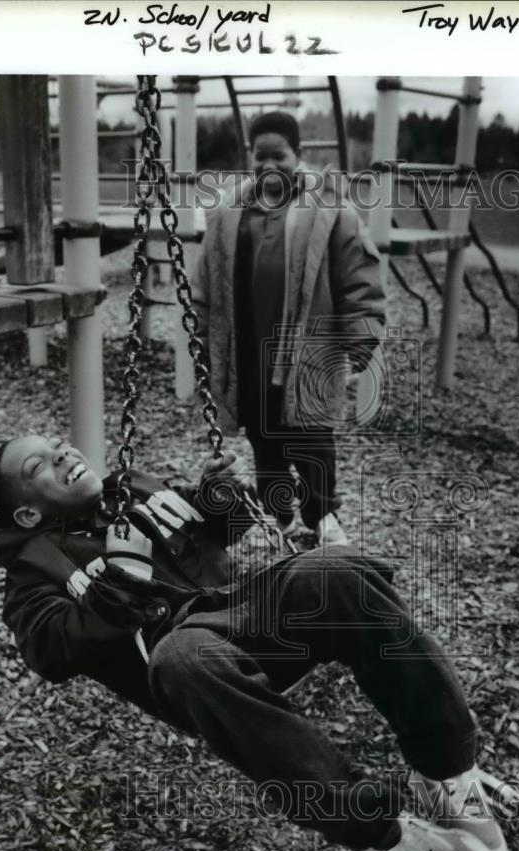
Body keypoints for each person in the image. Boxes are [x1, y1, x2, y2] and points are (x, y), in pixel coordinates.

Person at [0, 433, 509, 851]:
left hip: (247, 612)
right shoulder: (32, 577)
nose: (61, 455)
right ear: (27, 514)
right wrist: (122, 576)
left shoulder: (133, 487)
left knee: (337, 567)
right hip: (193, 665)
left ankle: (446, 770)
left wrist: (220, 500)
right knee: (185, 657)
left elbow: (215, 531)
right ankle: (386, 831)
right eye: (38, 468)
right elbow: (50, 651)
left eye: (56, 447)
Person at [191, 110, 386, 547]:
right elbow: (205, 283)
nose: (268, 166)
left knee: (313, 437)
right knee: (265, 436)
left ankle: (322, 517)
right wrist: (201, 338)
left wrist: (362, 334)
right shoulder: (229, 215)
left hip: (308, 349)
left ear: (297, 156)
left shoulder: (329, 211)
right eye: (260, 157)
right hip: (250, 347)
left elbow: (359, 276)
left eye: (279, 155)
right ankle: (279, 517)